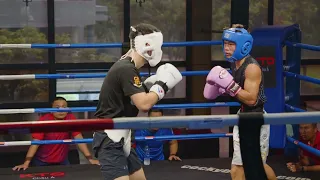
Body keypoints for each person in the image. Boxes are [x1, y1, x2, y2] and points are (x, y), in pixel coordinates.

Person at [92, 23, 183, 180]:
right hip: (110, 137)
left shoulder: (128, 65)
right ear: (147, 45)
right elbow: (144, 104)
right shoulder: (127, 68)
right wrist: (162, 85)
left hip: (123, 136)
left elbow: (136, 105)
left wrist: (148, 89)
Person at [203, 24, 277, 180]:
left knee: (251, 167)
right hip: (243, 116)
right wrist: (222, 88)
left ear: (244, 45)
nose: (227, 48)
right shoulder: (235, 63)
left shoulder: (251, 68)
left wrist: (229, 86)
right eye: (225, 43)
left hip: (255, 119)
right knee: (241, 169)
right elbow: (234, 93)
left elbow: (251, 99)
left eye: (231, 44)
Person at [12, 97, 99, 171]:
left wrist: (90, 159)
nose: (61, 110)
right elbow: (35, 143)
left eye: (64, 107)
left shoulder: (70, 118)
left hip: (62, 161)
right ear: (51, 110)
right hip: (42, 162)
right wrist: (26, 163)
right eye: (57, 107)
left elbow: (79, 139)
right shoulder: (44, 121)